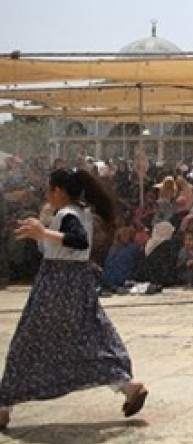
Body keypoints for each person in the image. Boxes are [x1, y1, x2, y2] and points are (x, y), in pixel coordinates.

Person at [0, 168, 148, 430]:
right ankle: (127, 386)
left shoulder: (68, 214)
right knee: (90, 341)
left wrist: (43, 232)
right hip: (77, 285)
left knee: (26, 345)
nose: (48, 196)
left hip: (57, 286)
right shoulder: (81, 213)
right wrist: (42, 232)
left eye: (50, 190)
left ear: (58, 191)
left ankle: (3, 406)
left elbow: (78, 242)